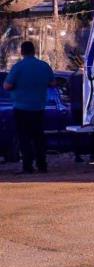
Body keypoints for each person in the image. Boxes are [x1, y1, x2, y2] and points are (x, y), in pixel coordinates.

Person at [2, 41, 55, 174]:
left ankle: (28, 166)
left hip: (21, 107)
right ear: (34, 51)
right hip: (39, 107)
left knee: (24, 138)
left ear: (22, 52)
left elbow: (7, 86)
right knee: (39, 137)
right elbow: (53, 83)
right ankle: (42, 165)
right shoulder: (44, 66)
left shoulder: (18, 67)